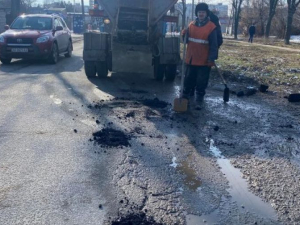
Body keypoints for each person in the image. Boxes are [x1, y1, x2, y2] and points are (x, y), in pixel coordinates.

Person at [182, 3, 218, 102]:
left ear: (206, 14)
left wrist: (212, 58)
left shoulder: (211, 27)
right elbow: (185, 41)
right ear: (196, 13)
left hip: (204, 60)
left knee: (201, 81)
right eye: (199, 12)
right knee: (188, 79)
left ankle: (199, 99)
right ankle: (185, 97)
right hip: (191, 59)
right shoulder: (191, 25)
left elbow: (214, 45)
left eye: (203, 12)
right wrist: (184, 35)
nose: (201, 14)